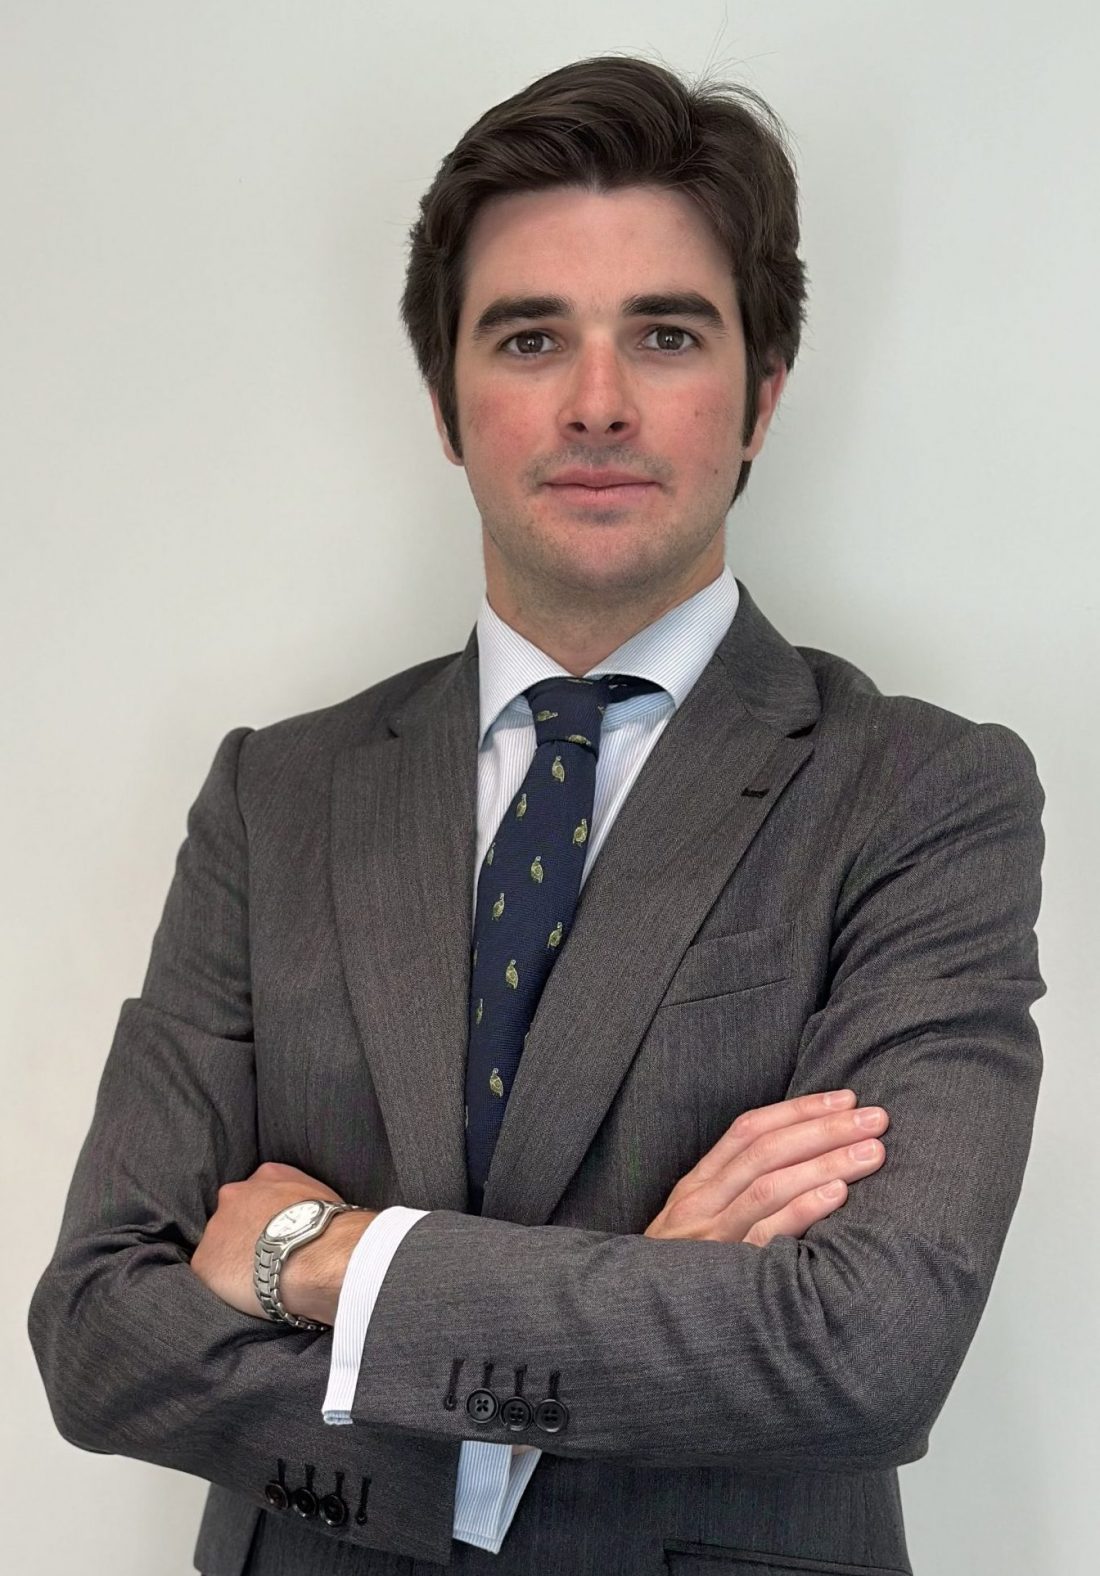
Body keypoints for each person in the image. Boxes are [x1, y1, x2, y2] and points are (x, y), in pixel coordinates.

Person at [28, 53, 1045, 1576]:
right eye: (529, 337)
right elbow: (102, 1331)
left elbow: (866, 1346)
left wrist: (326, 1260)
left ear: (763, 395)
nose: (598, 403)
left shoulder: (920, 792)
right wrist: (625, 1321)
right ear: (447, 404)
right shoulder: (274, 796)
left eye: (667, 334)